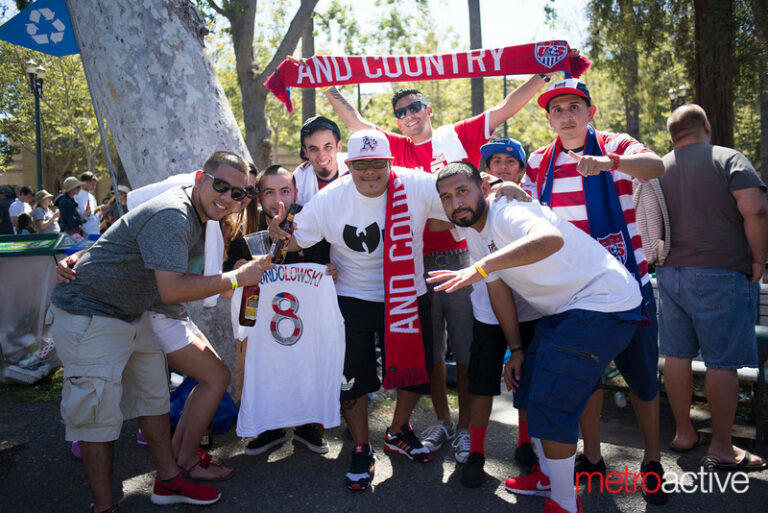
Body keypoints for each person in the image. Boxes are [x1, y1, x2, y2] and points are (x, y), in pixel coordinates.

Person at [325, 72, 554, 462]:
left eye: (415, 107)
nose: (409, 115)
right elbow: (357, 124)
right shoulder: (393, 147)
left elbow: (503, 109)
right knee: (429, 352)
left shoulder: (455, 136)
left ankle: (466, 428)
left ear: (428, 109)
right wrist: (329, 87)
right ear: (397, 121)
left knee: (465, 348)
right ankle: (442, 420)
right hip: (414, 264)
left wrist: (541, 75)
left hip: (464, 258)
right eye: (401, 112)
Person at [49, 151, 272, 512]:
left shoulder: (201, 210)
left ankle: (169, 479)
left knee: (153, 400)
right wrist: (236, 278)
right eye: (221, 186)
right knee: (98, 419)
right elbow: (171, 288)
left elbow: (129, 234)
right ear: (200, 178)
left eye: (239, 193)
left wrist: (86, 252)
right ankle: (105, 505)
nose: (229, 197)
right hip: (91, 311)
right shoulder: (175, 213)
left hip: (137, 312)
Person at [429, 161, 643, 513]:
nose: (456, 203)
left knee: (550, 399)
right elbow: (498, 291)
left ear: (483, 188)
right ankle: (548, 476)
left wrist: (482, 267)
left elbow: (550, 238)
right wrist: (515, 349)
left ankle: (563, 502)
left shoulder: (507, 211)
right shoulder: (473, 231)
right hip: (568, 311)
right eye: (447, 198)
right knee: (529, 383)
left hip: (604, 303)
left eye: (462, 191)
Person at [269, 129, 447, 491]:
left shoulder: (417, 184)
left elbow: (463, 195)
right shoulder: (329, 199)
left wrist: (500, 186)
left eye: (377, 164)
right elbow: (296, 239)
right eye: (360, 164)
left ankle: (397, 431)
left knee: (415, 370)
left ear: (390, 163)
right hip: (352, 298)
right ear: (348, 166)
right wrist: (276, 232)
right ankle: (362, 446)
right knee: (352, 378)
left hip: (407, 294)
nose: (369, 172)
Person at [523, 78, 667, 504]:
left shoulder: (615, 143)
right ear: (548, 118)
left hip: (629, 287)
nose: (566, 116)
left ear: (590, 112)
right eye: (557, 109)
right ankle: (592, 457)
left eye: (574, 107)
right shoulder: (539, 161)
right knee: (582, 379)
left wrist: (609, 163)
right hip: (575, 296)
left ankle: (653, 463)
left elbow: (656, 167)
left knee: (643, 381)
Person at [658, 104, 768, 471]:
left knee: (676, 355)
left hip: (670, 274)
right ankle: (722, 447)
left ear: (673, 134)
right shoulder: (728, 158)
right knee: (723, 363)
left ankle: (684, 433)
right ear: (706, 125)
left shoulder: (659, 166)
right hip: (720, 273)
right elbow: (755, 209)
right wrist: (758, 260)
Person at [232, 164, 334, 456]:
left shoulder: (311, 221)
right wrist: (237, 269)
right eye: (269, 192)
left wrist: (333, 271)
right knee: (266, 368)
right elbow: (230, 278)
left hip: (306, 316)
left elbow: (330, 262)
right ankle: (270, 426)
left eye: (285, 191)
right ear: (259, 196)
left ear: (296, 192)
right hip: (263, 317)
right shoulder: (246, 228)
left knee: (307, 365)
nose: (278, 199)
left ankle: (308, 425)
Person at [293, 115, 349, 205]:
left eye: (328, 147)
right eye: (313, 149)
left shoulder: (355, 168)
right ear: (305, 152)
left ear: (339, 147)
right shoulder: (298, 180)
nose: (322, 156)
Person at [76, 172, 101, 236]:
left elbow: (94, 215)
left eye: (95, 184)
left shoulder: (92, 197)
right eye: (92, 184)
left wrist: (100, 214)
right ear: (84, 182)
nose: (94, 186)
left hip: (95, 231)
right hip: (84, 232)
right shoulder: (76, 195)